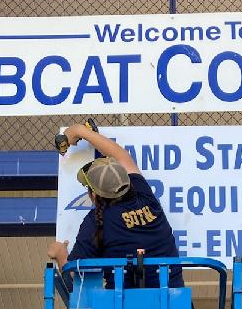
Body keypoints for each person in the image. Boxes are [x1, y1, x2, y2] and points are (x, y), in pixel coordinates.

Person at [47, 122, 183, 290]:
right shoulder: (146, 197)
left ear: (94, 195)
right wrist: (81, 131)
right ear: (127, 182)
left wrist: (61, 254)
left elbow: (76, 278)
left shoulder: (95, 221)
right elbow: (122, 156)